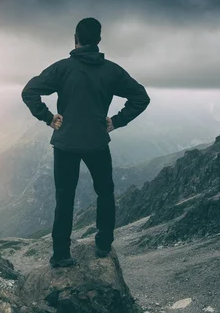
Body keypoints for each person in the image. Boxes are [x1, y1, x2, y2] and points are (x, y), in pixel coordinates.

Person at [21, 17, 150, 268]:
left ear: (75, 39)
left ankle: (61, 255)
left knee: (64, 197)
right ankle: (103, 245)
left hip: (66, 144)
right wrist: (117, 121)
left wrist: (48, 118)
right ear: (99, 40)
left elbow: (29, 91)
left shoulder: (62, 68)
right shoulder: (112, 71)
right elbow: (141, 98)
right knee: (105, 192)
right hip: (97, 143)